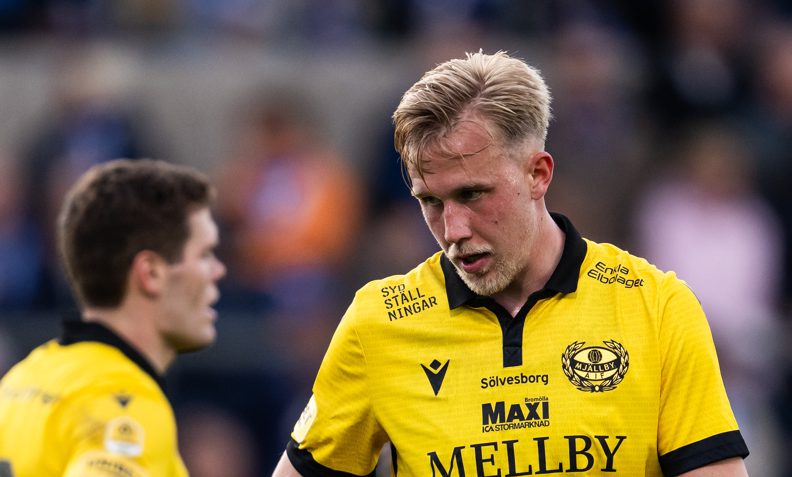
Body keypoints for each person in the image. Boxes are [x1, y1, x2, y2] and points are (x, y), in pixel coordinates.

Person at [273, 51, 749, 476]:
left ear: (538, 174)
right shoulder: (379, 323)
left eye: (472, 193)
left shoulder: (657, 309)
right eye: (430, 201)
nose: (453, 230)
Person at [0, 159, 226, 476]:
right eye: (204, 255)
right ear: (151, 273)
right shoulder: (126, 403)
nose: (218, 271)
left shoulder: (20, 380)